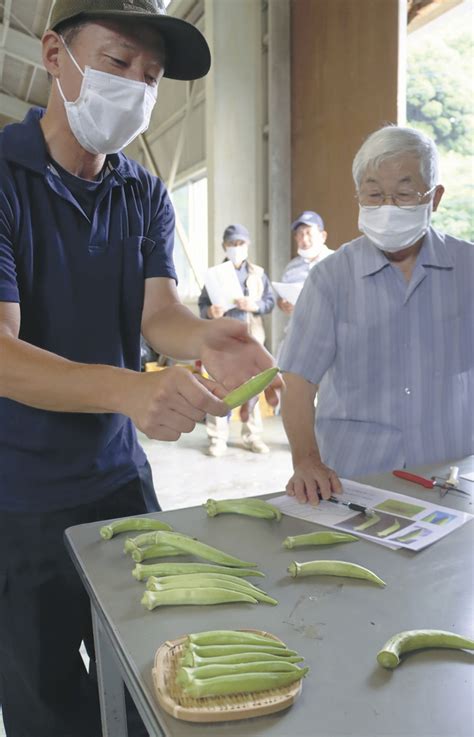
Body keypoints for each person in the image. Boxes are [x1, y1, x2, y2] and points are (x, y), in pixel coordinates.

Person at [0, 3, 280, 736]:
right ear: (55, 55)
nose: (135, 88)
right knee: (47, 698)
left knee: (151, 679)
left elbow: (156, 312)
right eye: (118, 63)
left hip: (120, 483)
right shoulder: (2, 176)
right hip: (18, 495)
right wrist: (132, 389)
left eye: (151, 78)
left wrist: (204, 337)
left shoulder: (144, 191)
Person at [279, 125, 473, 505]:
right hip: (352, 478)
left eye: (403, 194)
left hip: (451, 478)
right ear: (358, 197)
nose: (387, 207)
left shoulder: (468, 268)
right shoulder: (330, 278)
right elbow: (298, 382)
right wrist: (306, 461)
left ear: (434, 198)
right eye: (374, 194)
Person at [199, 224, 275, 456]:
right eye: (232, 244)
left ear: (247, 245)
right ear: (224, 246)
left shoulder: (258, 274)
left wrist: (254, 305)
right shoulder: (215, 275)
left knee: (253, 387)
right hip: (223, 340)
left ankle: (252, 436)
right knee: (220, 388)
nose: (236, 248)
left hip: (251, 339)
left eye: (240, 244)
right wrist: (211, 312)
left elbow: (269, 302)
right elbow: (203, 305)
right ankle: (217, 438)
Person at [277, 210, 332, 316]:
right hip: (299, 329)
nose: (304, 239)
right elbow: (280, 298)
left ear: (323, 236)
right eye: (300, 234)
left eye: (308, 233)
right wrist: (283, 304)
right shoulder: (291, 267)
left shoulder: (337, 261)